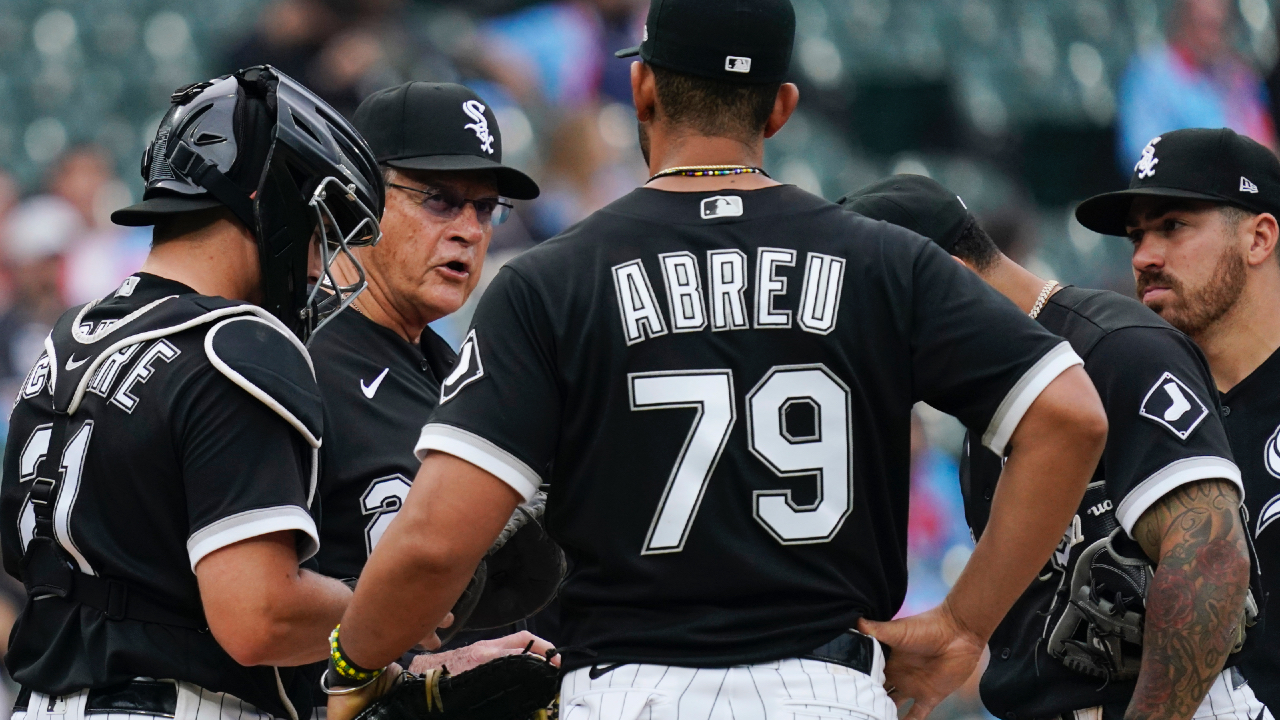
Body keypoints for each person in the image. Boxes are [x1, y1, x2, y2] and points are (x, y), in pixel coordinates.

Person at [325, 2, 1111, 720]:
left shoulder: (551, 281)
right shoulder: (886, 262)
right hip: (828, 690)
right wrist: (962, 624)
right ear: (781, 106)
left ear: (641, 89)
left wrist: (350, 664)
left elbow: (431, 544)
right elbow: (1071, 417)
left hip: (635, 692)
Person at [0, 66, 384, 720]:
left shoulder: (73, 335)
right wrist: (397, 613)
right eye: (319, 231)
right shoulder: (238, 342)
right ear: (275, 201)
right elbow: (257, 616)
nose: (318, 264)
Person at [842, 174, 1259, 720]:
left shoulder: (1116, 349)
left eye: (880, 319)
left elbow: (1212, 559)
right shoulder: (997, 410)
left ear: (951, 281)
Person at [307, 80, 552, 699]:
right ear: (358, 198)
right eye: (440, 200)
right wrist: (405, 671)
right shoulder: (290, 361)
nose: (469, 229)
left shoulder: (472, 381)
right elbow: (239, 604)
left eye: (486, 207)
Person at [1077, 127, 1280, 717]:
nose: (1143, 257)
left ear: (1259, 238)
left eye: (1172, 226)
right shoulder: (1125, 417)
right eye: (1137, 235)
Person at [1116, 0, 1275, 170]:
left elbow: (1265, 147)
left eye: (1221, 26)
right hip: (1179, 191)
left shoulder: (1241, 79)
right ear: (1183, 21)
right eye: (1206, 25)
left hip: (1243, 190)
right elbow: (1143, 155)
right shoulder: (1151, 73)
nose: (1213, 38)